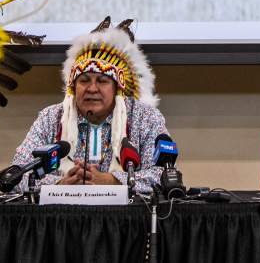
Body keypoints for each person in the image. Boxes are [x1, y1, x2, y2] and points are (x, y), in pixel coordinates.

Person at [10, 17, 169, 194]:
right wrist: (59, 185)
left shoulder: (145, 118)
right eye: (84, 80)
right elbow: (16, 175)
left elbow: (165, 176)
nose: (92, 88)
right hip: (61, 216)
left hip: (125, 218)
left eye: (102, 81)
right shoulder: (51, 118)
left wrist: (113, 181)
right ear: (73, 87)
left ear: (117, 88)